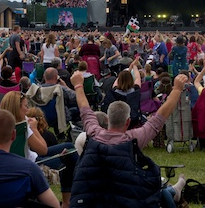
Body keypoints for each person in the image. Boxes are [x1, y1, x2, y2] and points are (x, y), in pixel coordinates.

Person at [70, 70, 189, 207]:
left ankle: (174, 190)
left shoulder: (93, 132)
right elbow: (159, 118)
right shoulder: (133, 140)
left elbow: (84, 109)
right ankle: (173, 191)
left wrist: (78, 86)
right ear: (128, 122)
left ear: (108, 119)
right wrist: (177, 89)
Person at [0, 91, 78, 208]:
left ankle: (68, 201)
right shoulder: (23, 126)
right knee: (70, 152)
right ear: (17, 108)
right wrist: (34, 128)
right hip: (33, 163)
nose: (27, 110)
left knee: (67, 149)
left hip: (14, 163)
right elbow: (43, 150)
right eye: (26, 106)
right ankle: (70, 199)